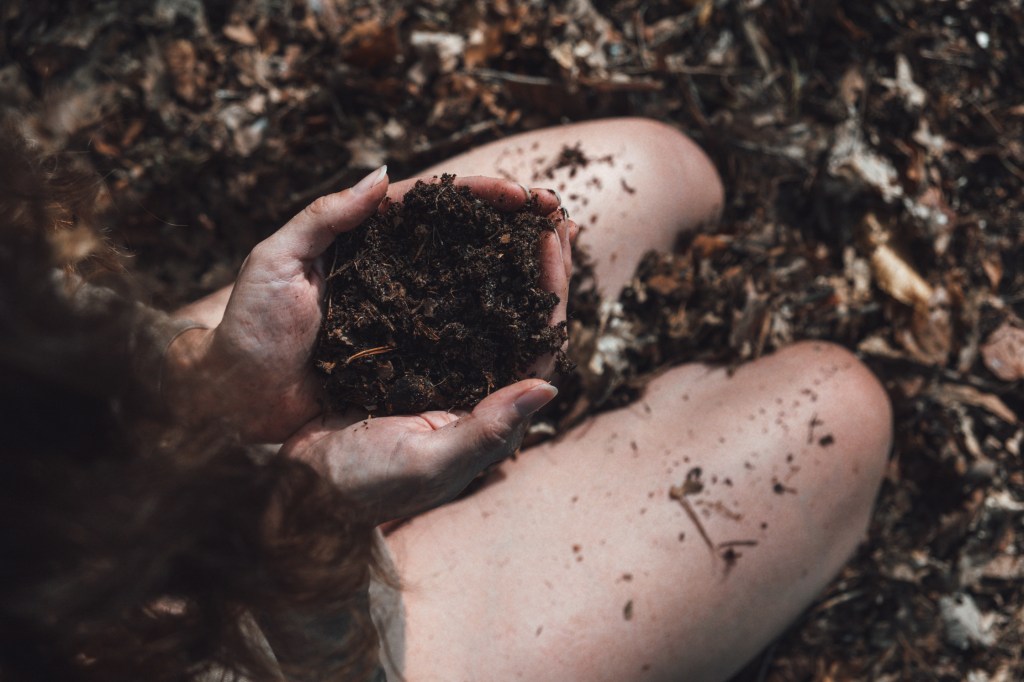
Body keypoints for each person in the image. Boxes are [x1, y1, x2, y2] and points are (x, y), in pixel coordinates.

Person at [0, 118, 892, 681]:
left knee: (662, 169)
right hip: (252, 647)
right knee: (837, 411)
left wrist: (211, 384)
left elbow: (60, 336)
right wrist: (307, 516)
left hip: (168, 472)